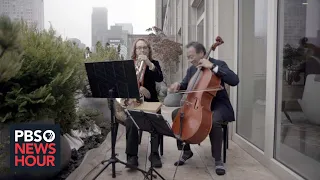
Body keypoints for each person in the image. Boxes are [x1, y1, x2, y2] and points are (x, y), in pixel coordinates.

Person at [168, 41, 239, 176]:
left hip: (219, 104)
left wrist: (212, 66)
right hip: (198, 104)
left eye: (191, 56)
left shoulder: (219, 64)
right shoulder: (192, 70)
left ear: (202, 54)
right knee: (177, 114)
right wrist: (178, 85)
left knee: (214, 119)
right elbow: (185, 85)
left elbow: (235, 80)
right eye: (187, 57)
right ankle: (187, 151)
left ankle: (218, 159)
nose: (189, 60)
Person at [125, 38, 164, 168]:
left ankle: (154, 153)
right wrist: (138, 89)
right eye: (139, 48)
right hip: (134, 102)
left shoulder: (154, 63)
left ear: (148, 49)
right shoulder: (130, 64)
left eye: (144, 47)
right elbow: (124, 84)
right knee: (131, 122)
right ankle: (132, 156)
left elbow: (159, 78)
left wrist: (149, 64)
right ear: (135, 50)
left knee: (156, 119)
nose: (142, 50)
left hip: (150, 101)